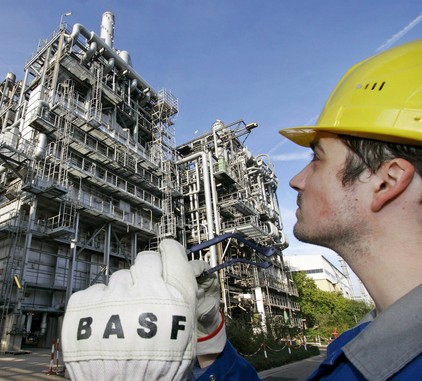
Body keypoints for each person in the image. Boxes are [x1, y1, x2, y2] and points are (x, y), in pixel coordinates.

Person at [62, 38, 422, 380]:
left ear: (387, 181)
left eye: (318, 159)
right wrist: (210, 341)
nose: (296, 179)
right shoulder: (361, 346)